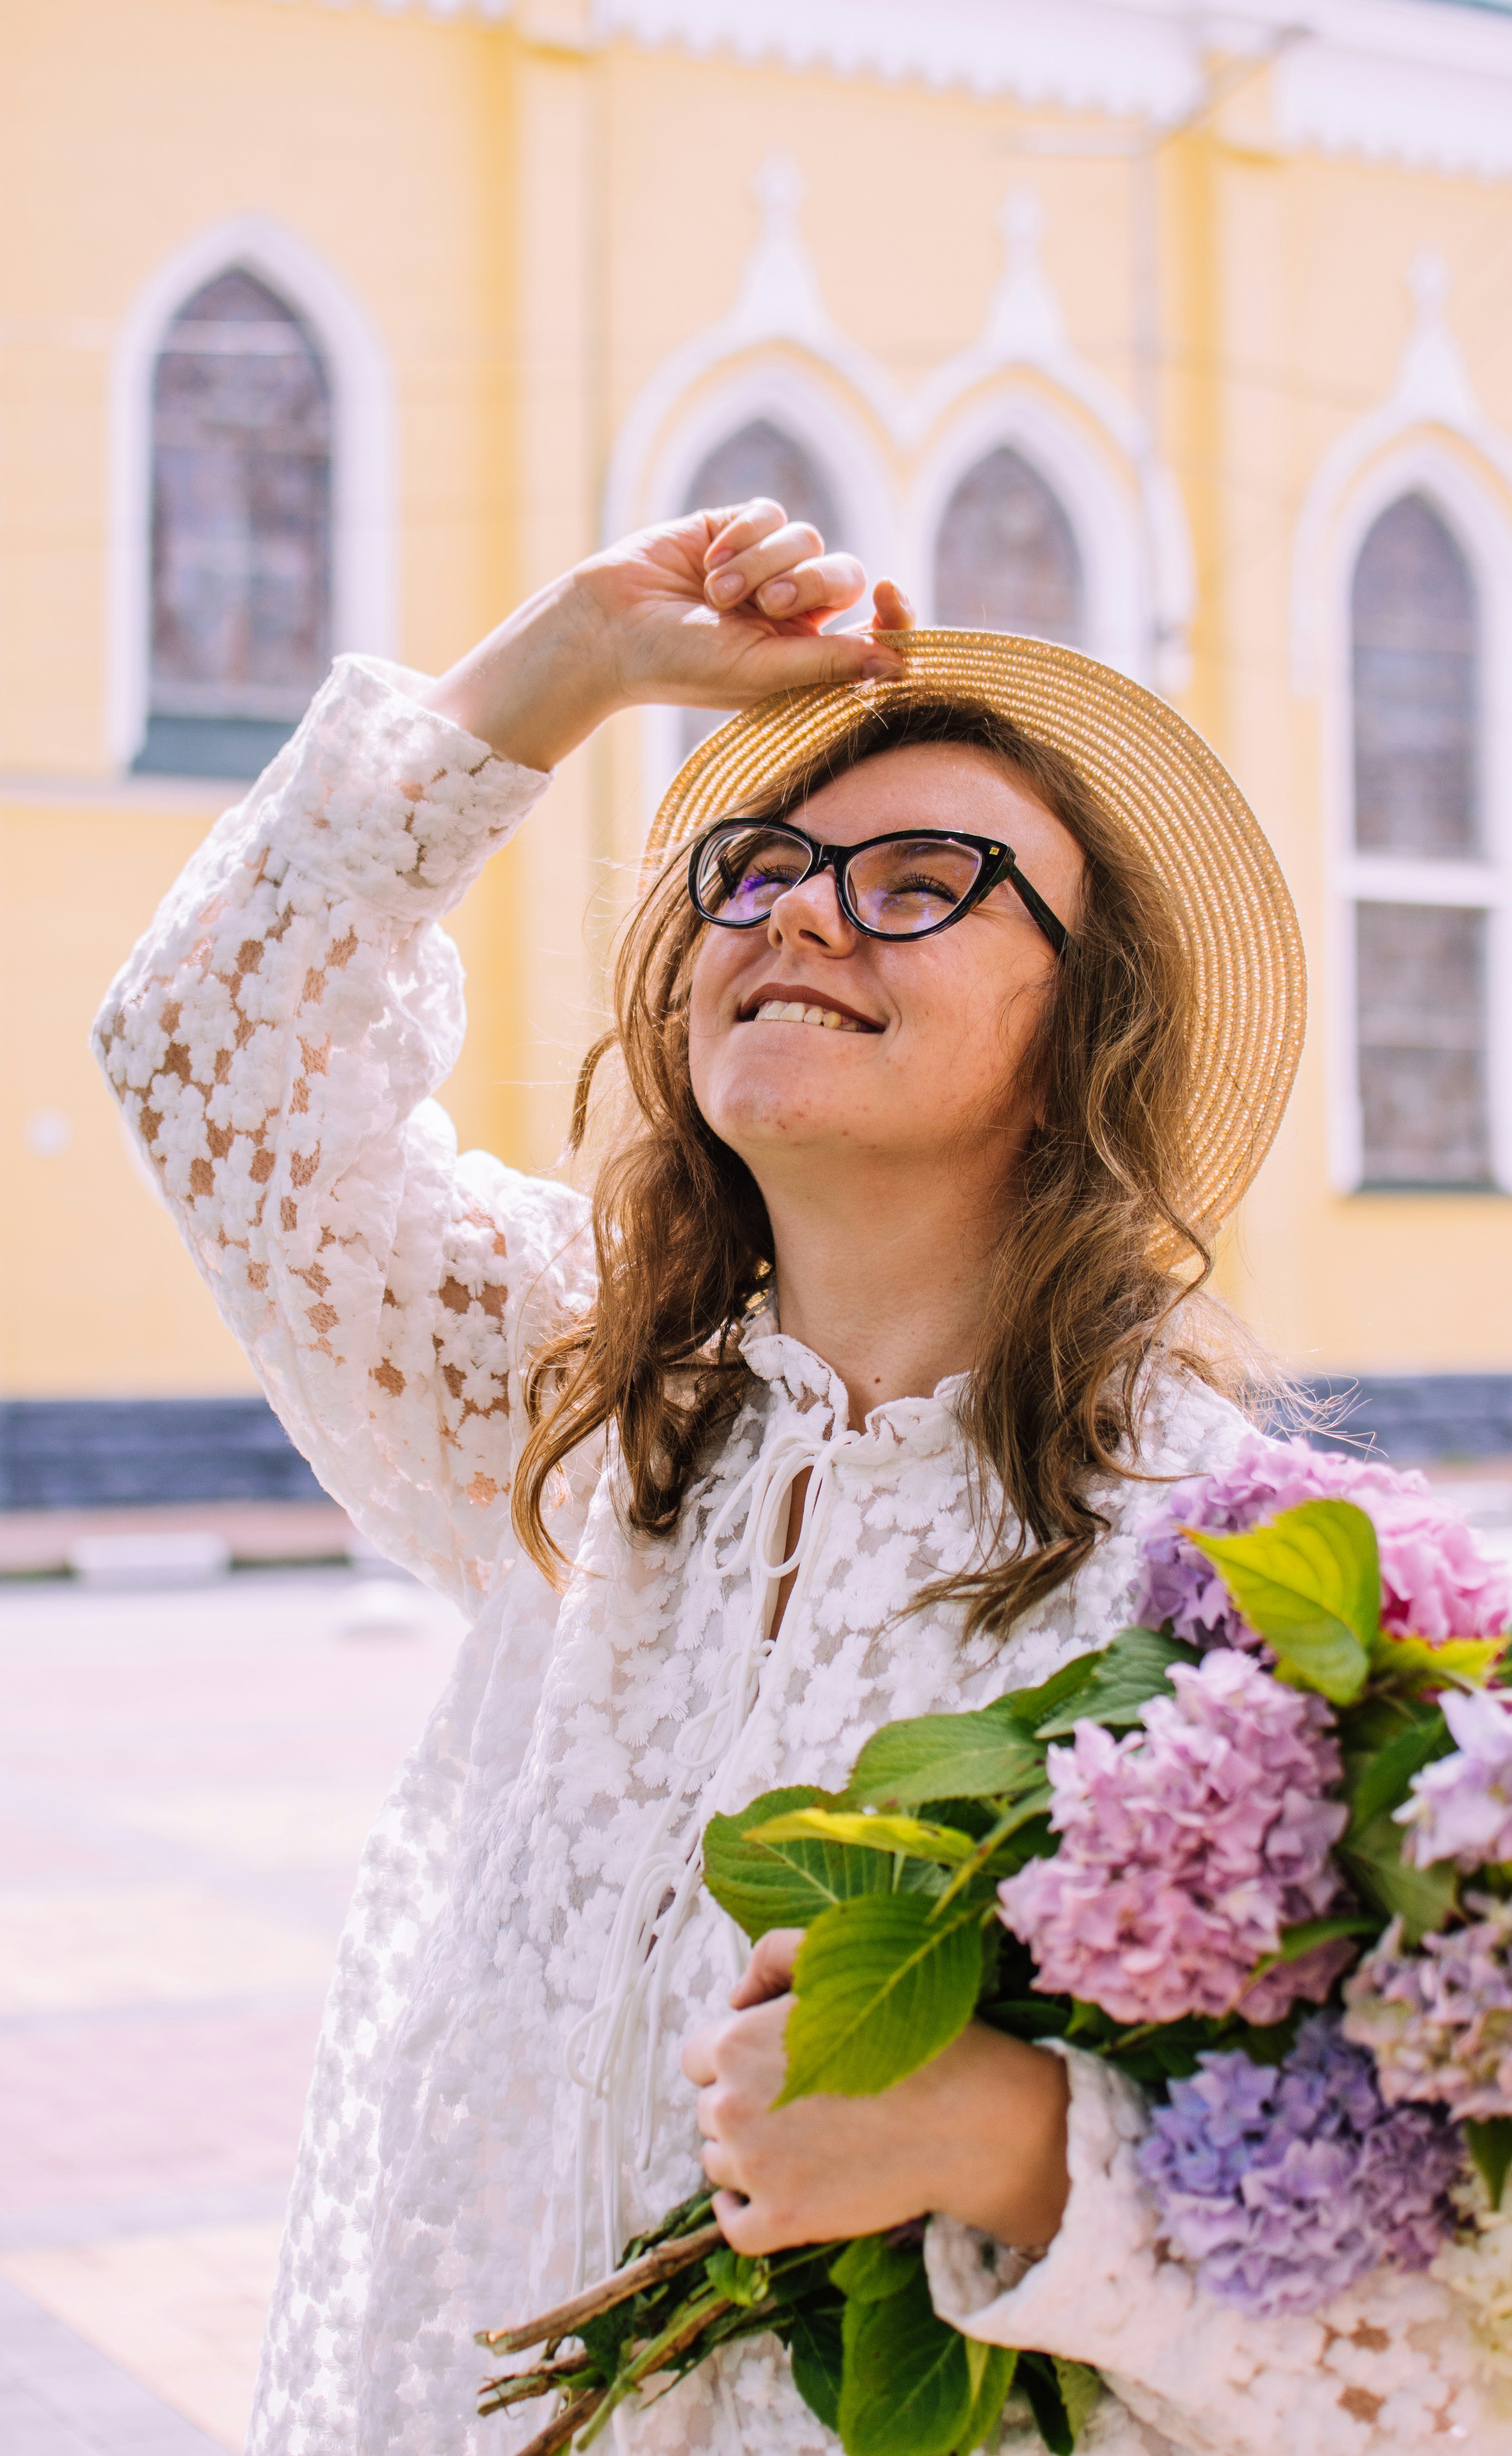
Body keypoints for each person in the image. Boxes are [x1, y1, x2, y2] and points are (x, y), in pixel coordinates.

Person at [95, 503, 1497, 2455]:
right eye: (758, 869)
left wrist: (1025, 2152)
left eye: (928, 880)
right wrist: (570, 660)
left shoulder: (1238, 1580)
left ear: (1081, 1033)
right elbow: (201, 1060)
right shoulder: (578, 1416)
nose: (802, 912)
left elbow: (1448, 2355)